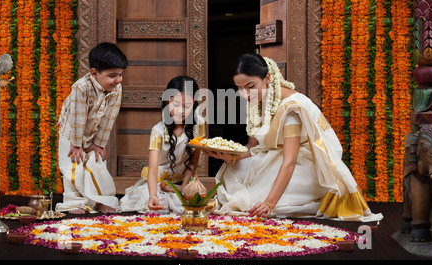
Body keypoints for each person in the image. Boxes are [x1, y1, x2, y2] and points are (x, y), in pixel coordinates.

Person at [205, 53, 382, 222]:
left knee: (253, 201)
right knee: (232, 170)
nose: (245, 94)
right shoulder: (256, 101)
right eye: (240, 88)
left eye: (250, 86)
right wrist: (230, 156)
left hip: (304, 163)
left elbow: (289, 160)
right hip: (272, 158)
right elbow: (252, 146)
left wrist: (269, 203)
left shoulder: (291, 108)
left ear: (267, 78)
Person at [55, 42, 127, 214]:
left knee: (97, 163)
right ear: (94, 73)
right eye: (112, 75)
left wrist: (99, 144)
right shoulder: (81, 88)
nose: (118, 80)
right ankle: (74, 203)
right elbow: (77, 118)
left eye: (120, 75)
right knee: (74, 166)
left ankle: (101, 201)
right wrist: (77, 145)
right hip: (72, 134)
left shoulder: (116, 89)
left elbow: (109, 118)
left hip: (93, 134)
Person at [120, 76, 205, 214]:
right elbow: (153, 169)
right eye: (175, 104)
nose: (181, 111)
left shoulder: (199, 124)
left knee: (181, 206)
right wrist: (153, 195)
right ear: (167, 100)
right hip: (157, 184)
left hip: (181, 183)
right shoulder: (158, 131)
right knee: (160, 206)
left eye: (187, 106)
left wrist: (183, 188)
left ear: (194, 103)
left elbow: (193, 163)